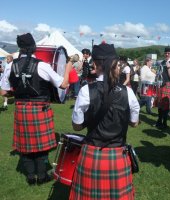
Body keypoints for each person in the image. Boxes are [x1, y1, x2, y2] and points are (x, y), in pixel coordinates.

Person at [70, 42, 140, 200]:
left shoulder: (86, 90)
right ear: (116, 64)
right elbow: (134, 123)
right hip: (118, 157)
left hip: (92, 155)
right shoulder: (128, 92)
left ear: (95, 63)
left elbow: (77, 126)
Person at [0, 33, 72, 185]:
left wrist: (19, 91)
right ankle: (42, 175)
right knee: (41, 146)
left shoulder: (10, 66)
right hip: (40, 109)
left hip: (21, 109)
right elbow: (64, 85)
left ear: (20, 48)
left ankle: (31, 176)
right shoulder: (43, 65)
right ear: (34, 47)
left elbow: (3, 92)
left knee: (25, 146)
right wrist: (67, 69)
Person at [153, 47, 170, 129]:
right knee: (159, 104)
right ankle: (159, 121)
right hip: (160, 84)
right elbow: (159, 73)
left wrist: (168, 67)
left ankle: (165, 123)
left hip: (167, 84)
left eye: (168, 53)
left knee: (165, 106)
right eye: (165, 53)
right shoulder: (162, 62)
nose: (167, 54)